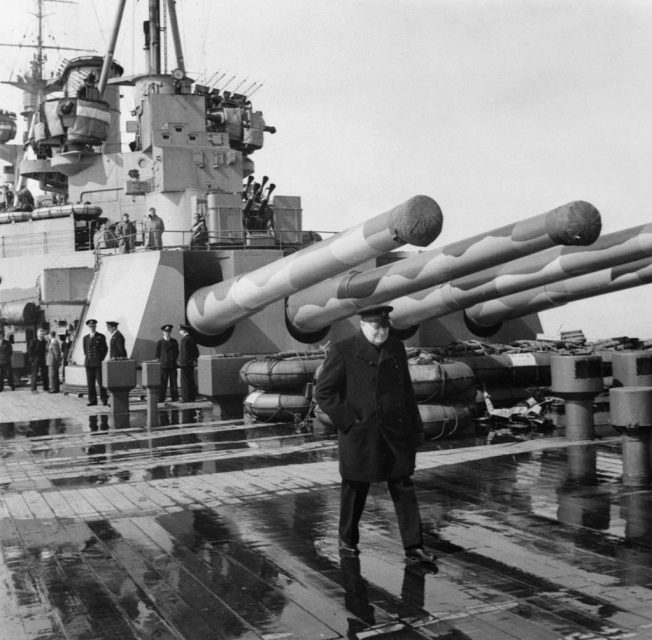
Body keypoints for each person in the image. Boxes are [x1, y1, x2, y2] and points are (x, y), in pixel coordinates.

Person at [314, 305, 436, 564]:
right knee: (355, 489)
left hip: (396, 432)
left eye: (385, 326)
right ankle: (347, 540)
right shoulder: (343, 350)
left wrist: (416, 428)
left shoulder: (396, 348)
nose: (382, 331)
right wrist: (349, 421)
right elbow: (324, 392)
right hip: (361, 434)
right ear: (363, 325)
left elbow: (406, 391)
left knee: (403, 486)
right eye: (376, 327)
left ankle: (414, 546)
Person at [83, 318, 108, 406]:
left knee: (101, 383)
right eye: (90, 326)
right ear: (88, 327)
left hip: (97, 363)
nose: (92, 327)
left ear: (95, 326)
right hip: (89, 363)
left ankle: (104, 399)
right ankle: (92, 400)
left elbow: (105, 349)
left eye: (93, 326)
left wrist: (100, 358)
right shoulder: (85, 338)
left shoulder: (100, 336)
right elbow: (85, 351)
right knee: (90, 383)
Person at [156, 324, 179, 402]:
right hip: (164, 365)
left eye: (169, 331)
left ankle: (175, 398)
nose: (167, 333)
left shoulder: (174, 341)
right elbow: (157, 354)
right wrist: (162, 361)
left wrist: (173, 359)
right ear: (163, 332)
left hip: (172, 365)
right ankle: (161, 398)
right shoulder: (160, 342)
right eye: (166, 331)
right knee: (163, 383)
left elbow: (177, 352)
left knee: (174, 383)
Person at [178, 324, 199, 402]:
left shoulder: (185, 340)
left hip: (185, 363)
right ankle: (191, 397)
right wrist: (193, 360)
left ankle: (186, 398)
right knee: (190, 380)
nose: (179, 331)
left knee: (185, 381)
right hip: (190, 364)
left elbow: (185, 353)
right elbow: (196, 352)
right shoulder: (191, 339)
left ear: (184, 331)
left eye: (180, 330)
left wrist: (183, 361)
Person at [28, 327, 49, 393]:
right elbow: (30, 351)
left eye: (42, 334)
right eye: (40, 334)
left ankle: (46, 388)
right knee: (35, 374)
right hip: (35, 360)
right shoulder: (33, 341)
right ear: (37, 334)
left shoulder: (45, 342)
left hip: (43, 359)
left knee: (44, 373)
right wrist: (33, 358)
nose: (41, 335)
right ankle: (33, 389)